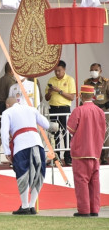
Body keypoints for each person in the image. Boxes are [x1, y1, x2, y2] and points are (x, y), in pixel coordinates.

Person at [1, 97, 50, 215]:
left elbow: (4, 132)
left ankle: (25, 206)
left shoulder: (7, 112)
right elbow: (46, 125)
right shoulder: (31, 109)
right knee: (38, 174)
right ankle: (32, 205)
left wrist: (7, 151)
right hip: (37, 143)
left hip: (21, 146)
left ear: (8, 105)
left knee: (22, 174)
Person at [67, 85, 106, 217]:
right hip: (95, 152)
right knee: (94, 182)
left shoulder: (78, 111)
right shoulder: (100, 111)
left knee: (81, 182)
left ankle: (84, 210)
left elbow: (70, 129)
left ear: (81, 95)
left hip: (80, 152)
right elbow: (103, 130)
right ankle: (94, 209)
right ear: (93, 96)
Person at [45, 60, 76, 166]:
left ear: (64, 69)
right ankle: (56, 157)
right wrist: (49, 92)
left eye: (59, 71)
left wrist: (59, 91)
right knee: (54, 134)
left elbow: (72, 97)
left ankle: (68, 158)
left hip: (64, 110)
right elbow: (46, 98)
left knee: (66, 134)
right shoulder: (51, 79)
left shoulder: (70, 79)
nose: (57, 73)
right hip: (53, 109)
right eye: (55, 71)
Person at [83, 63, 109, 165]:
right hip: (91, 111)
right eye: (92, 70)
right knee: (91, 133)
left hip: (103, 111)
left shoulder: (106, 82)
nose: (93, 72)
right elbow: (83, 96)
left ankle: (105, 156)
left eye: (96, 70)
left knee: (105, 133)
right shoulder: (87, 82)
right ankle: (94, 155)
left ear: (100, 71)